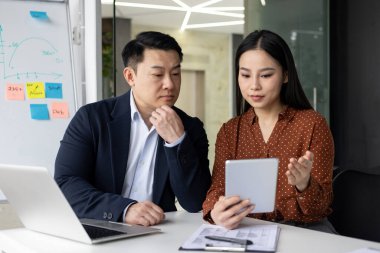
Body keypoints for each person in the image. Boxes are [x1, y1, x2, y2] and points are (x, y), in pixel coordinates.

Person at [55, 31, 211, 227]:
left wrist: (177, 142)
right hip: (99, 227)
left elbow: (195, 202)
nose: (170, 84)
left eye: (176, 73)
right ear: (130, 76)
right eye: (157, 74)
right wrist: (124, 209)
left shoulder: (190, 128)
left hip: (157, 235)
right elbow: (66, 183)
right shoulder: (92, 118)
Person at [202, 30, 336, 233]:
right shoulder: (230, 131)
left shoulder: (312, 124)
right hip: (249, 229)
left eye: (265, 75)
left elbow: (321, 207)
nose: (254, 85)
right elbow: (217, 189)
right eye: (245, 75)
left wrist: (304, 184)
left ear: (285, 75)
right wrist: (215, 212)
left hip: (306, 231)